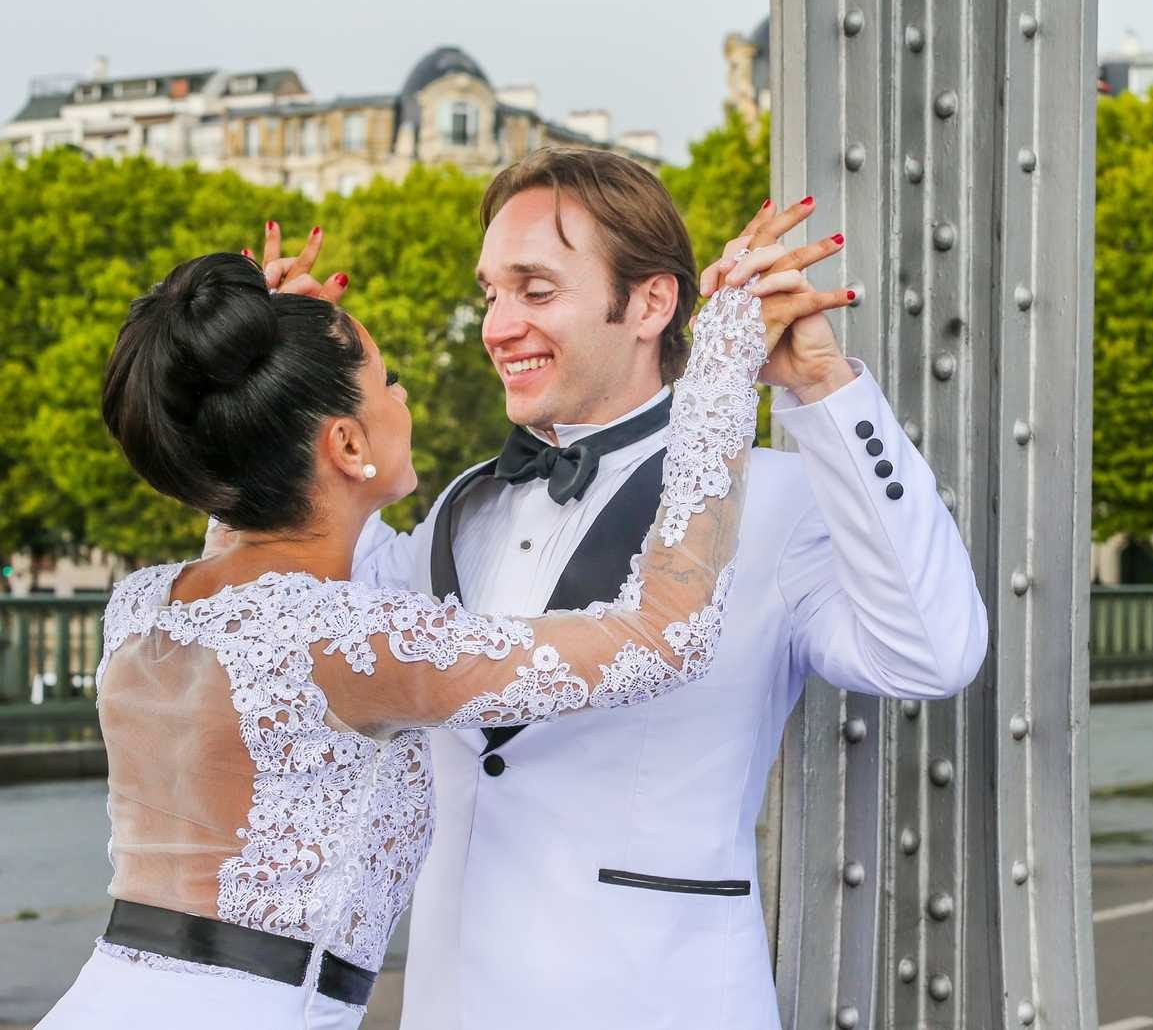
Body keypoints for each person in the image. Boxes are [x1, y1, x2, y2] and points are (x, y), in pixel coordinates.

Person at [37, 227, 845, 1029]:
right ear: (348, 444)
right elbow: (666, 638)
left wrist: (255, 399)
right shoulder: (362, 643)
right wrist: (720, 382)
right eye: (388, 382)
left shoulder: (144, 607)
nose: (404, 399)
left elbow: (247, 546)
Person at [339, 149, 989, 1029]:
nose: (497, 326)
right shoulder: (465, 504)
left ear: (650, 303)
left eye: (535, 291)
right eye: (491, 292)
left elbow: (933, 650)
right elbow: (330, 607)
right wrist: (274, 402)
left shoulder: (775, 499)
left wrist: (822, 390)